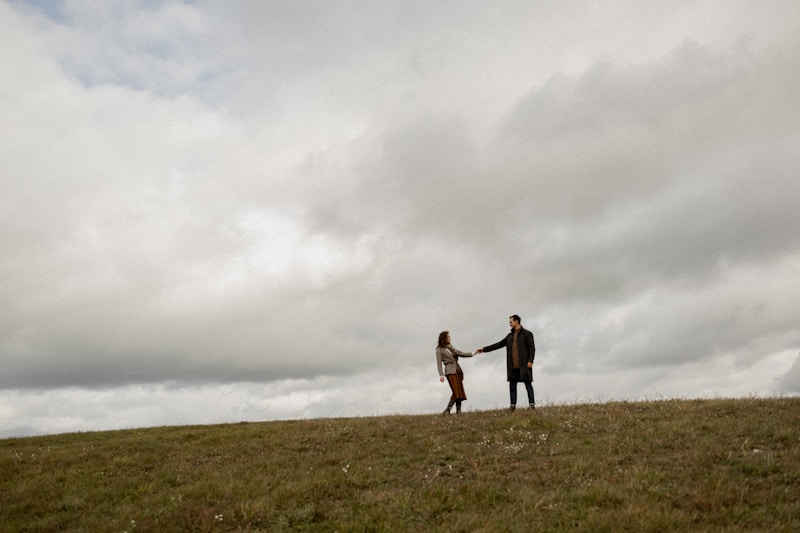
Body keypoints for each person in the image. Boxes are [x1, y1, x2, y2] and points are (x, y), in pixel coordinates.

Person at [476, 314, 536, 410]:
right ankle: (512, 406)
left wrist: (530, 360)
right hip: (512, 365)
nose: (509, 324)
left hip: (524, 364)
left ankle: (532, 404)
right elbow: (498, 344)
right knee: (512, 385)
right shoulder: (509, 336)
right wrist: (484, 349)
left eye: (511, 322)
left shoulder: (527, 334)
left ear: (516, 321)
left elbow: (532, 348)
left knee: (528, 383)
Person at [435, 331, 476, 415]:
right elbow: (439, 363)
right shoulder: (439, 350)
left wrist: (473, 353)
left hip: (457, 370)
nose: (450, 338)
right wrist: (441, 375)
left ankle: (458, 411)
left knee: (459, 390)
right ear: (444, 338)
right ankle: (448, 410)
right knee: (456, 390)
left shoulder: (451, 347)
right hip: (449, 371)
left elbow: (461, 353)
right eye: (448, 336)